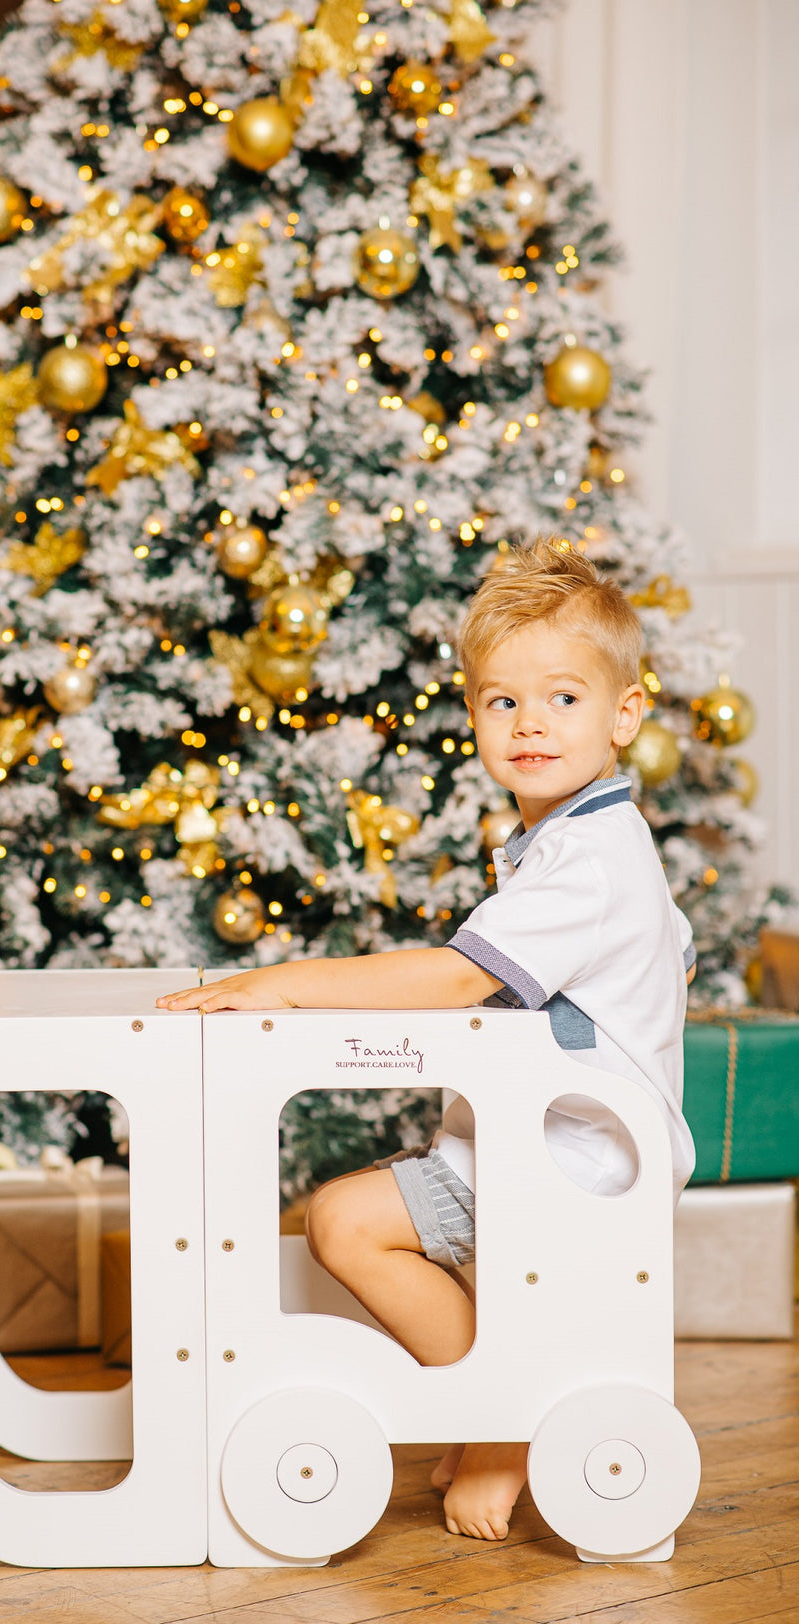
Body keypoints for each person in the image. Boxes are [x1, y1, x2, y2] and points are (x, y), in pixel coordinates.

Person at [157, 538, 696, 1542]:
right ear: (477, 717)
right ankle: (487, 1396)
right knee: (380, 1218)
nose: (530, 721)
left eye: (564, 699)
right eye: (503, 702)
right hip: (553, 1145)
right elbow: (672, 957)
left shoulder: (584, 858)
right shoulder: (584, 841)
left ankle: (503, 1417)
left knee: (343, 1221)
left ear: (625, 716)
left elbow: (456, 976)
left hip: (569, 1163)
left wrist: (283, 984)